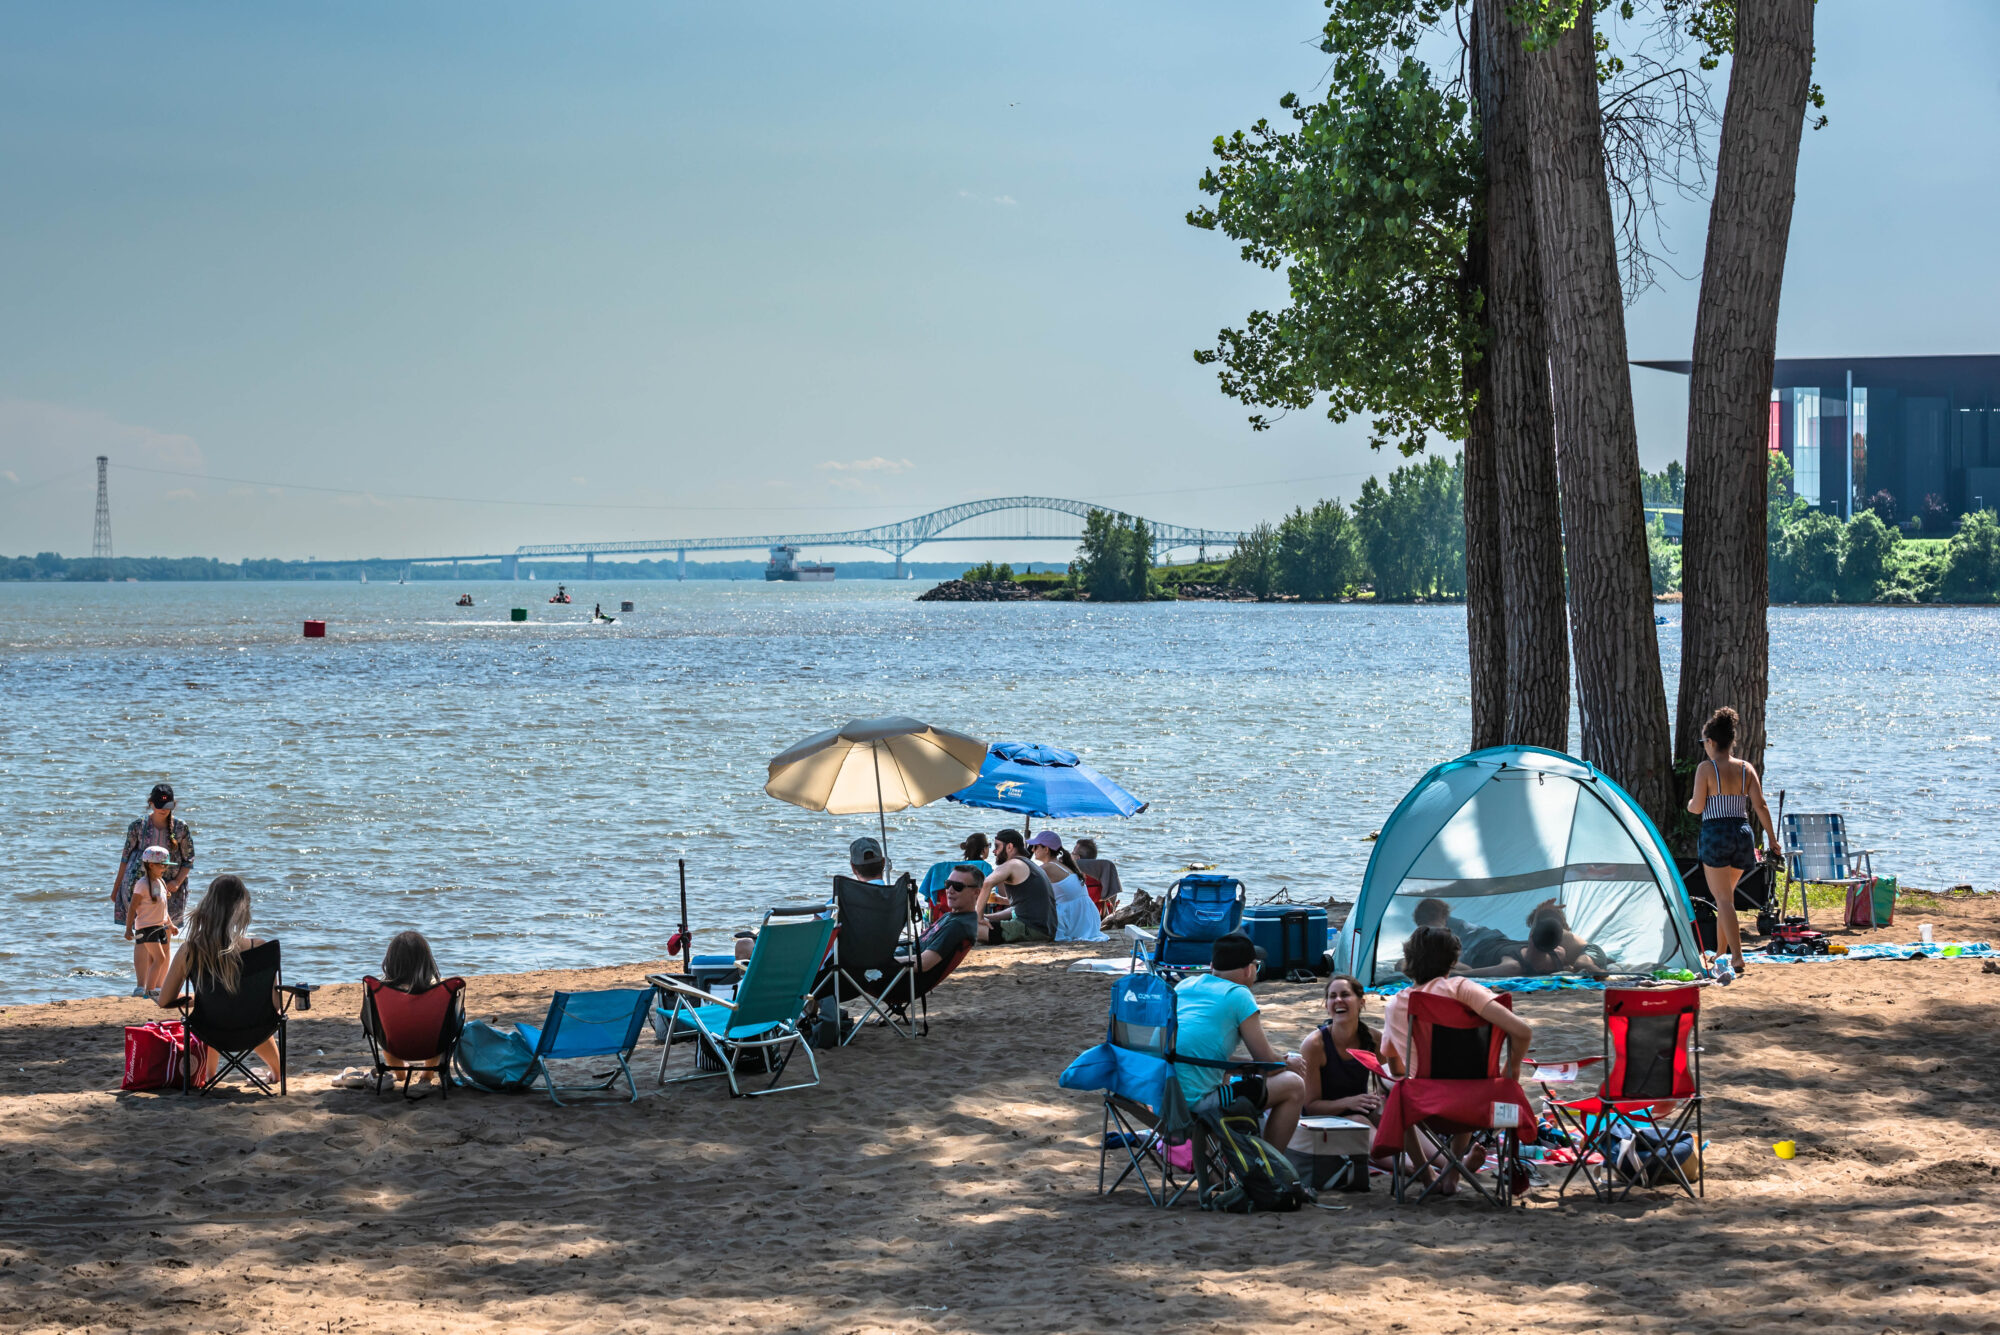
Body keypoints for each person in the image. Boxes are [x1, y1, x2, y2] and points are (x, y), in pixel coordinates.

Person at [1380, 925, 1533, 1193]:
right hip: (1480, 1101)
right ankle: (1452, 1173)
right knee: (1468, 1070)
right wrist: (1511, 1071)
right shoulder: (1462, 988)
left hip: (1425, 1106)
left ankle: (1427, 1176)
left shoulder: (1396, 1004)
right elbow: (1522, 1031)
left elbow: (1396, 1068)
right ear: (1452, 961)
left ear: (1409, 960)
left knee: (1398, 1091)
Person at [1171, 932, 1309, 1153]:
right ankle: (1268, 1168)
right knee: (1293, 1084)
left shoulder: (1184, 986)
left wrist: (1252, 1064)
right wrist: (1287, 1063)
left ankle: (1219, 1161)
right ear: (1249, 969)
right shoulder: (1239, 995)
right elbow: (1266, 1063)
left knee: (1226, 1073)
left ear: (1212, 965)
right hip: (1195, 1104)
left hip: (1164, 1098)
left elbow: (1201, 1053)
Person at [154, 875, 283, 1085]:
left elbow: (164, 1001)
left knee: (214, 1011)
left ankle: (210, 1075)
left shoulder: (191, 950)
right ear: (243, 909)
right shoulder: (260, 948)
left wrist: (199, 999)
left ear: (207, 906)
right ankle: (278, 1074)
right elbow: (275, 1005)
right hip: (256, 1029)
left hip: (210, 1029)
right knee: (250, 1013)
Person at [1687, 705, 1775, 976]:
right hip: (1742, 833)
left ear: (1711, 742)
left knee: (1723, 900)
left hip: (1716, 833)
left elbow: (1698, 807)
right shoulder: (1746, 768)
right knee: (1726, 898)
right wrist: (1772, 839)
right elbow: (1760, 805)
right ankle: (1721, 954)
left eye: (1704, 742)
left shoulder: (1706, 769)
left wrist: (1690, 804)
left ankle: (1737, 958)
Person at [1289, 973, 1394, 1181]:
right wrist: (1350, 1102)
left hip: (1360, 1108)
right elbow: (1310, 1106)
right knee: (1359, 1123)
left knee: (1391, 1114)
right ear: (1326, 1004)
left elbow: (1387, 1081)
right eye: (1332, 996)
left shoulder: (1373, 1038)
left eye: (1345, 995)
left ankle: (1448, 1164)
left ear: (1361, 1002)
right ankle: (1417, 1169)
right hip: (1323, 1120)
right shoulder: (1315, 1045)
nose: (1338, 1000)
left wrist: (1382, 1100)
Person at [113, 783, 193, 995]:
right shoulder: (137, 826)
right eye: (158, 804)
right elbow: (124, 858)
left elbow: (189, 859)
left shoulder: (181, 828)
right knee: (143, 934)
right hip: (138, 885)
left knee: (164, 935)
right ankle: (141, 986)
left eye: (167, 805)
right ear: (150, 803)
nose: (163, 809)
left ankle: (158, 985)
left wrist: (176, 882)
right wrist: (116, 888)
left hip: (170, 889)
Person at [360, 930, 451, 1095]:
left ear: (391, 961)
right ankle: (427, 1075)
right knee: (441, 1027)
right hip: (433, 1045)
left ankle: (400, 1073)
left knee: (384, 1027)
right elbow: (453, 1023)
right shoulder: (439, 990)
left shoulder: (381, 990)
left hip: (394, 1045)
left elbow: (369, 1021)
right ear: (426, 960)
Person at [1453, 900, 1607, 979]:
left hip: (1480, 942)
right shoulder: (1559, 951)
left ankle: (1598, 971)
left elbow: (1468, 974)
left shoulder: (1513, 965)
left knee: (1581, 964)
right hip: (1492, 941)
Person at [899, 867, 982, 984]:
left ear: (976, 892)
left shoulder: (957, 926)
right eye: (948, 884)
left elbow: (923, 962)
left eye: (958, 886)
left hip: (898, 976)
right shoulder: (951, 916)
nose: (949, 890)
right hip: (900, 959)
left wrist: (883, 962)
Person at [974, 828, 1056, 944]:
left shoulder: (1012, 864)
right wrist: (988, 917)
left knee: (966, 926)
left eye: (997, 846)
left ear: (1009, 847)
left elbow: (987, 883)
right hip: (1045, 931)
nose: (994, 851)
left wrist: (978, 917)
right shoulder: (1032, 866)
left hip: (1029, 930)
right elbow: (1020, 907)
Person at [1029, 831, 1105, 943]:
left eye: (1036, 847)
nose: (1032, 850)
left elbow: (1024, 881)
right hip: (1087, 920)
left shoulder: (1048, 867)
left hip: (1072, 921)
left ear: (1046, 849)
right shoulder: (1064, 865)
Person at [126, 846, 178, 998]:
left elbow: (163, 908)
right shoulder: (142, 884)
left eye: (166, 865)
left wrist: (170, 924)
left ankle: (153, 988)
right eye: (162, 865)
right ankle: (149, 992)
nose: (165, 868)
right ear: (151, 865)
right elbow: (132, 908)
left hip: (159, 926)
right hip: (146, 927)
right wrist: (128, 929)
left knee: (155, 959)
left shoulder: (160, 882)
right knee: (159, 958)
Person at [1413, 896, 1508, 970]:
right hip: (1491, 942)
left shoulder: (1444, 930)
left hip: (1485, 945)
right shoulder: (1438, 929)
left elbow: (1458, 962)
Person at [1072, 837, 1123, 917]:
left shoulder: (1071, 876)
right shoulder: (1105, 876)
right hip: (1095, 919)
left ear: (1077, 857)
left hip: (1072, 918)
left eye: (1072, 853)